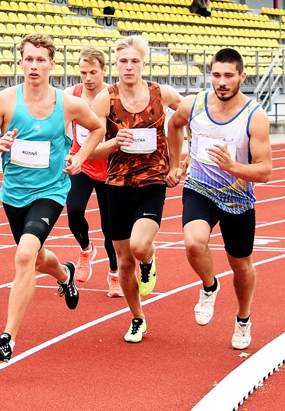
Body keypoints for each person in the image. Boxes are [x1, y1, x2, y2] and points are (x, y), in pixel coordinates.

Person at [0, 33, 104, 362]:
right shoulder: (4, 101)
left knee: (24, 257)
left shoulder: (68, 103)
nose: (34, 65)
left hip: (50, 191)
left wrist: (79, 157)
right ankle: (64, 274)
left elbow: (98, 128)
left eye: (40, 60)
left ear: (52, 64)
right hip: (14, 194)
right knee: (35, 257)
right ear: (20, 62)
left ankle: (8, 339)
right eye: (28, 59)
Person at [167, 48, 272, 350]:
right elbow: (174, 125)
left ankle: (243, 318)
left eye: (228, 76)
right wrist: (176, 162)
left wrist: (232, 167)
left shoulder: (254, 116)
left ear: (242, 76)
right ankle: (210, 286)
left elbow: (265, 171)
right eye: (216, 75)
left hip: (238, 199)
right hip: (200, 188)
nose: (222, 82)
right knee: (193, 241)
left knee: (241, 266)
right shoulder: (194, 105)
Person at [90, 35, 182, 343]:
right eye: (123, 61)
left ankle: (150, 257)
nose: (129, 67)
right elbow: (90, 149)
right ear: (116, 64)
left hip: (152, 182)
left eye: (134, 61)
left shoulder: (161, 93)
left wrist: (180, 162)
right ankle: (137, 318)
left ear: (144, 63)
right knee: (124, 260)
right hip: (116, 184)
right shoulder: (106, 98)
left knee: (140, 247)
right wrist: (114, 142)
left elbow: (191, 119)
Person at [64, 47, 120, 297]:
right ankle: (86, 250)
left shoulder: (113, 96)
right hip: (81, 164)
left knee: (111, 228)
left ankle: (114, 273)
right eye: (83, 72)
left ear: (104, 71)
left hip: (109, 168)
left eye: (93, 72)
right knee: (74, 212)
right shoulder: (72, 95)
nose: (87, 78)